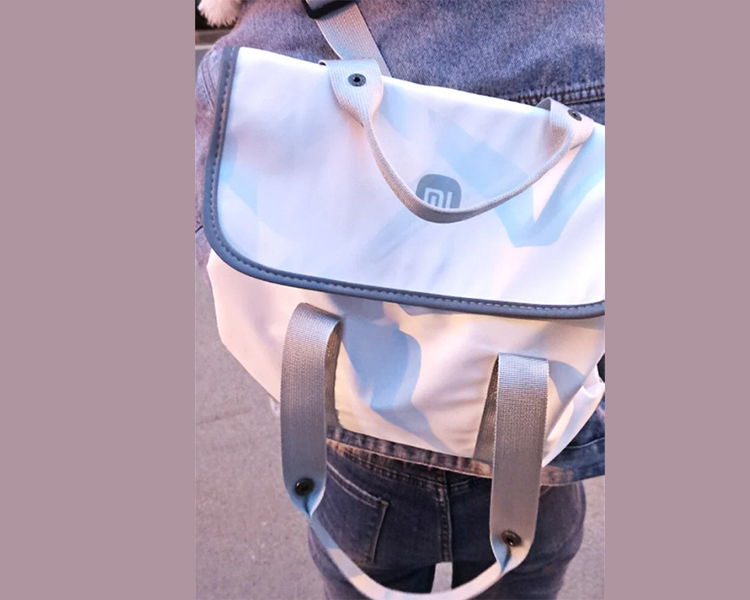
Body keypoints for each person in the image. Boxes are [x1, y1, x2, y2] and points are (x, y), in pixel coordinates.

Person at [196, 1, 605, 597]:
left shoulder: (270, 44)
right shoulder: (591, 29)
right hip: (537, 450)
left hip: (352, 439)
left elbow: (221, 231)